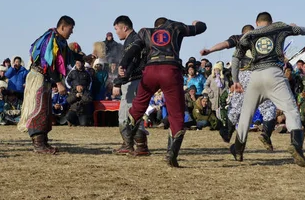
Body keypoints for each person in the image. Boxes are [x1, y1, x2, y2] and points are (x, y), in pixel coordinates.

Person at [118, 17, 207, 167]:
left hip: (151, 70)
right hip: (171, 69)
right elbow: (201, 28)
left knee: (139, 105)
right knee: (176, 113)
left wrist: (123, 64)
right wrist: (196, 23)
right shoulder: (176, 28)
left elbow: (134, 48)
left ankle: (129, 141)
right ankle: (171, 154)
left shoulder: (145, 31)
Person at [230, 12, 305, 166]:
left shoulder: (248, 35)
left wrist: (235, 80)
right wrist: (294, 27)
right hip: (274, 73)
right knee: (290, 110)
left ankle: (239, 149)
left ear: (256, 22)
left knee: (246, 114)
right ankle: (296, 145)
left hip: (255, 76)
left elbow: (235, 58)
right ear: (271, 21)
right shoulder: (280, 27)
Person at [201, 24, 277, 148]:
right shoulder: (262, 39)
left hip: (244, 75)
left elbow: (224, 44)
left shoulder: (239, 38)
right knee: (268, 106)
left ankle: (227, 133)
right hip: (260, 74)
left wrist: (210, 50)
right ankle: (266, 134)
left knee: (235, 105)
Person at [17, 16, 83, 154]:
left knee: (45, 110)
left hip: (44, 79)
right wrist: (59, 83)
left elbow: (68, 55)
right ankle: (38, 144)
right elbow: (48, 63)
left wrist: (84, 58)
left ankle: (43, 142)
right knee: (38, 110)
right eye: (71, 29)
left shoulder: (60, 41)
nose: (72, 32)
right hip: (38, 78)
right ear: (63, 27)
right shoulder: (50, 40)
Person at [111, 15, 150, 155]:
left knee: (131, 114)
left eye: (117, 29)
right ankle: (132, 145)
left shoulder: (135, 41)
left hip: (134, 82)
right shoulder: (131, 41)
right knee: (128, 114)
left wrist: (118, 81)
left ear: (124, 27)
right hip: (132, 82)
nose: (116, 32)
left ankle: (137, 146)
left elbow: (130, 61)